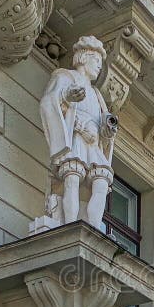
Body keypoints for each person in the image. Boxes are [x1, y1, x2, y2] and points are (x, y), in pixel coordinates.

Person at [39, 35, 117, 229]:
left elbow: (103, 127)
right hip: (76, 139)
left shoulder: (97, 94)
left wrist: (107, 129)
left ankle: (93, 226)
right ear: (83, 58)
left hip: (93, 144)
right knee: (72, 178)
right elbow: (49, 101)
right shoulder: (65, 76)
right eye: (96, 61)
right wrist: (67, 96)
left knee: (101, 183)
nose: (99, 67)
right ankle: (70, 227)